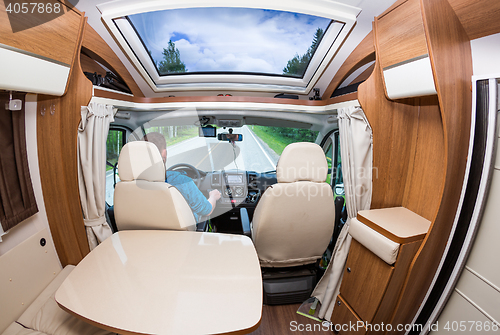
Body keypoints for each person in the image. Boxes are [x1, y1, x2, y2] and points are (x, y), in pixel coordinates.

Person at [143, 132, 221, 222]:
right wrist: (213, 196)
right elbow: (207, 210)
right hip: (180, 235)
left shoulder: (125, 182)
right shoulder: (181, 181)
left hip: (138, 234)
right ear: (164, 153)